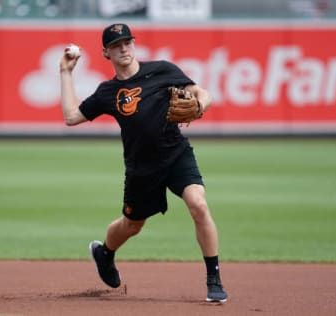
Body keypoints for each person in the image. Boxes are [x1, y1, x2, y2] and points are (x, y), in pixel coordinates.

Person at [59, 23, 228, 303]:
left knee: (198, 204)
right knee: (132, 225)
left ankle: (214, 280)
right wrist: (65, 72)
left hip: (176, 155)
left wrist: (200, 106)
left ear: (134, 44)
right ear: (106, 53)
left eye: (127, 42)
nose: (123, 48)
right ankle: (105, 254)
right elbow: (72, 116)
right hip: (142, 168)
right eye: (116, 45)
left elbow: (203, 93)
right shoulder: (107, 92)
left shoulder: (162, 70)